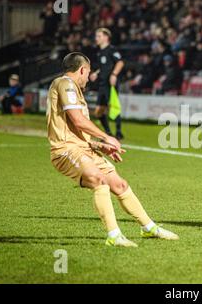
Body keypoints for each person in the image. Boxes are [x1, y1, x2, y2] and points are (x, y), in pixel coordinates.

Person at [47, 52, 178, 247]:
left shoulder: (73, 88)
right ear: (82, 70)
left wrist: (98, 145)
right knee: (98, 180)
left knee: (120, 185)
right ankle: (114, 235)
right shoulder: (65, 83)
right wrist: (106, 136)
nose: (89, 77)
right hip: (65, 150)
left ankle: (149, 228)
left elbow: (75, 128)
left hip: (84, 148)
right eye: (88, 72)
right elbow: (78, 120)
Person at [89, 28, 125, 140]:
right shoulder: (100, 52)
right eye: (96, 36)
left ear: (106, 37)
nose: (96, 38)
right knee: (98, 111)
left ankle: (118, 132)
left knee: (113, 106)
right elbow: (103, 67)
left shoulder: (111, 50)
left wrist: (114, 75)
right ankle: (108, 133)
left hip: (110, 84)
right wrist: (96, 73)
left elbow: (120, 62)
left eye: (99, 36)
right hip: (102, 84)